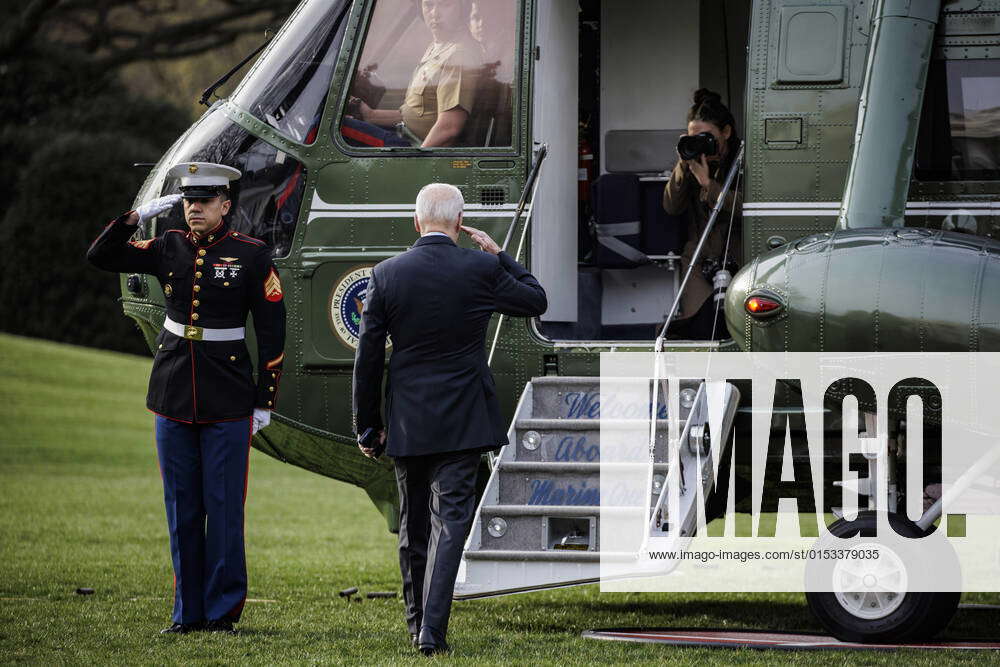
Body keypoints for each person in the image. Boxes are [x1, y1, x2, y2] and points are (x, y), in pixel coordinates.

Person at [86, 162, 286, 635]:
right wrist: (134, 217)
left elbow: (273, 331)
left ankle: (222, 612)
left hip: (229, 394)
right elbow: (100, 255)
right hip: (174, 389)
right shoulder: (168, 246)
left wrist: (265, 400)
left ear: (225, 206)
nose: (194, 208)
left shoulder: (251, 255)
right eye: (188, 201)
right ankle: (186, 614)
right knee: (181, 510)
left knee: (223, 509)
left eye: (204, 201)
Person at [352, 183, 546, 656]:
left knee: (413, 524)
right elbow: (535, 300)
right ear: (460, 225)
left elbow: (369, 358)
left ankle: (417, 620)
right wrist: (501, 256)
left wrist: (367, 423)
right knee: (451, 522)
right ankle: (431, 631)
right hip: (463, 419)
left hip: (407, 420)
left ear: (416, 222)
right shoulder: (480, 268)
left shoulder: (386, 274)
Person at [663, 88, 743, 340]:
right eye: (692, 137)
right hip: (699, 259)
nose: (701, 144)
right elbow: (671, 207)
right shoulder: (691, 165)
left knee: (735, 327)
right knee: (699, 329)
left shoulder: (743, 162)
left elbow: (745, 207)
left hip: (738, 257)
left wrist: (709, 185)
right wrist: (683, 166)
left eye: (706, 137)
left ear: (726, 132)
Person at [349, 0, 483, 148]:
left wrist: (416, 165)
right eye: (429, 5)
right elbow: (418, 113)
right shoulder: (438, 46)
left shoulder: (459, 55)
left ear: (462, 8)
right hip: (404, 133)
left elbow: (449, 128)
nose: (435, 14)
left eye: (445, 4)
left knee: (332, 125)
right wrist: (371, 115)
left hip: (415, 147)